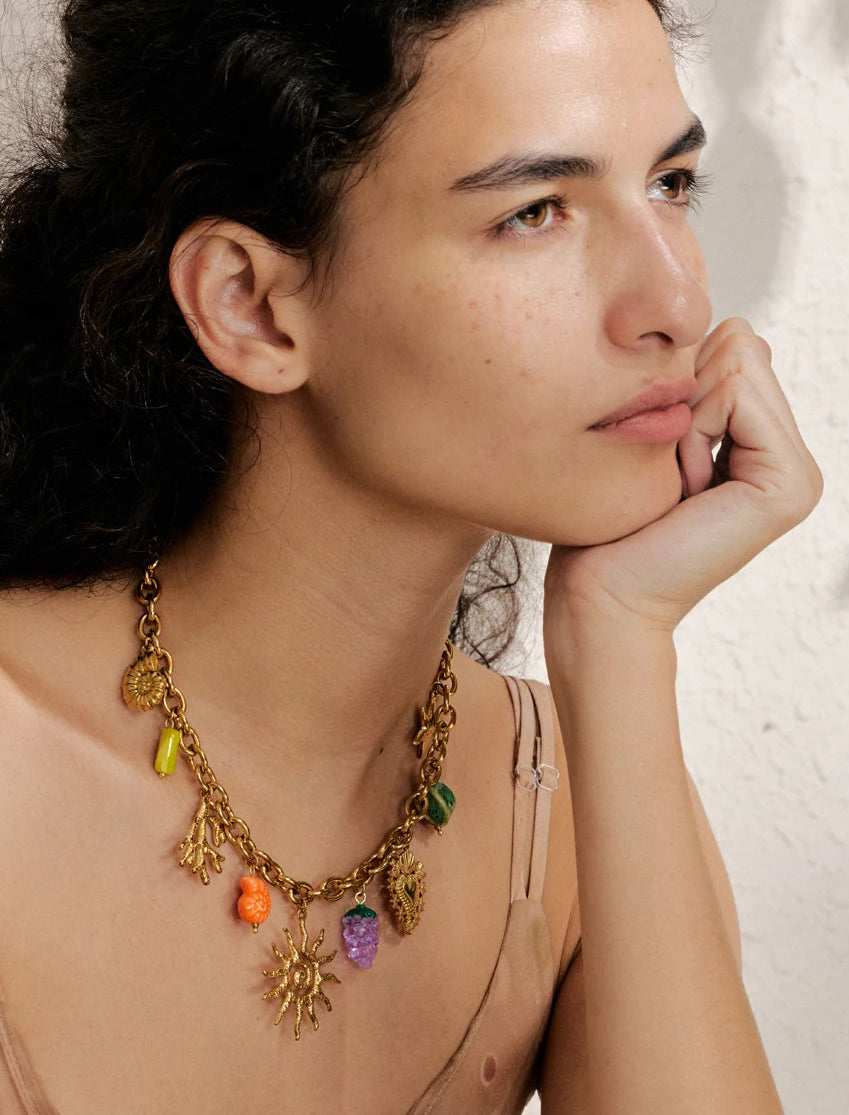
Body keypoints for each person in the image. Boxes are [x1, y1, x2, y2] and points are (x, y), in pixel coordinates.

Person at [0, 0, 822, 1111]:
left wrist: (622, 644)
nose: (678, 304)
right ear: (252, 306)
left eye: (671, 184)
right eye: (538, 210)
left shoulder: (571, 809)